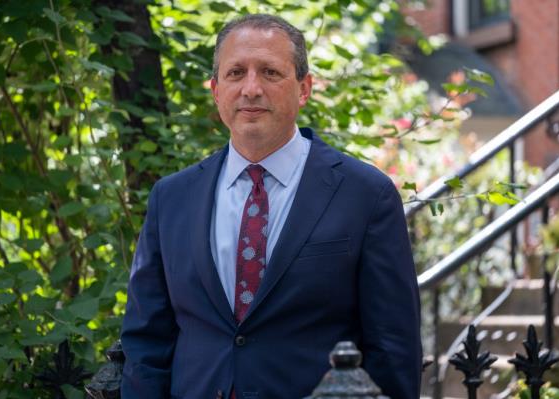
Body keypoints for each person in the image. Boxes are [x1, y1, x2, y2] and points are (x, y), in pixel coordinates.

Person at [121, 13, 421, 399]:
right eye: (235, 73)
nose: (251, 89)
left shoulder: (365, 195)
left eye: (270, 72)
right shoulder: (172, 198)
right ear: (215, 90)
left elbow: (393, 348)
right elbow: (146, 342)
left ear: (304, 88)